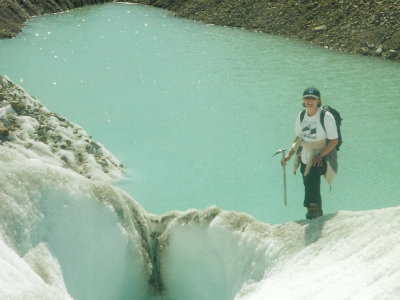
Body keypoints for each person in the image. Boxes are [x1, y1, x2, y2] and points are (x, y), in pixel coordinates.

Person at [281, 87, 338, 219]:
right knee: (308, 184)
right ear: (303, 100)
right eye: (307, 98)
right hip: (305, 157)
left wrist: (320, 155)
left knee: (312, 179)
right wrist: (289, 156)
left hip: (323, 156)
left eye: (313, 98)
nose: (309, 100)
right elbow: (298, 138)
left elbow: (334, 141)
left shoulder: (326, 117)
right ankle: (313, 211)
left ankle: (314, 209)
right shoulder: (301, 116)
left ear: (318, 100)